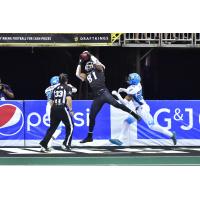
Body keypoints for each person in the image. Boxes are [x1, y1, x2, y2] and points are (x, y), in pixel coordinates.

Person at [76, 50, 141, 143]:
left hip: (104, 93)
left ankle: (135, 115)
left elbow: (100, 64)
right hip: (97, 97)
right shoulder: (87, 76)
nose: (89, 66)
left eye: (90, 65)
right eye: (87, 66)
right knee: (91, 116)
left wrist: (91, 56)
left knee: (117, 105)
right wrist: (80, 62)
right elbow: (77, 74)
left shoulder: (99, 69)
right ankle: (90, 136)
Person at [110, 72, 177, 146]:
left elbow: (126, 98)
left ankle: (171, 135)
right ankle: (120, 140)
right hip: (138, 110)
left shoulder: (134, 88)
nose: (128, 80)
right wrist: (122, 92)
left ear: (134, 80)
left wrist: (117, 94)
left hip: (142, 109)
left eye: (130, 79)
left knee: (152, 126)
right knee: (126, 121)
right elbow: (127, 97)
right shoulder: (135, 86)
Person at [40, 73, 74, 152]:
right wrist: (71, 110)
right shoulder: (66, 87)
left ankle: (44, 144)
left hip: (52, 107)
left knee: (52, 127)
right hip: (61, 107)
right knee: (70, 126)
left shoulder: (52, 88)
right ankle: (65, 144)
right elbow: (69, 97)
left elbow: (51, 101)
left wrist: (54, 109)